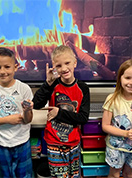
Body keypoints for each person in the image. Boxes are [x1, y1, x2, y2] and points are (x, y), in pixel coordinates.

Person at [32, 45, 90, 178]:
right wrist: (47, 83)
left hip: (74, 142)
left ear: (75, 63)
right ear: (54, 67)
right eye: (58, 66)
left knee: (74, 176)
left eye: (67, 63)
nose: (64, 69)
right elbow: (36, 104)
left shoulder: (83, 88)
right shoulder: (53, 85)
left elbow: (83, 118)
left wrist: (59, 113)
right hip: (54, 142)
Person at [0, 47, 34, 178]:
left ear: (15, 67)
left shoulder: (24, 88)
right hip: (2, 143)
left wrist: (27, 111)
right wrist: (8, 119)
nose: (3, 72)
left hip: (22, 140)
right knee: (6, 174)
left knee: (24, 174)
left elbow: (28, 120)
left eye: (7, 67)